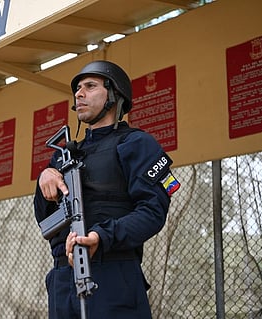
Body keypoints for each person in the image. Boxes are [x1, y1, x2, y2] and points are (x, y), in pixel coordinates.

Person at [34, 60, 180, 319]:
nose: (79, 94)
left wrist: (101, 237)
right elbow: (45, 220)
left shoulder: (137, 144)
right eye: (78, 88)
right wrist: (44, 178)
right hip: (63, 279)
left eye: (90, 86)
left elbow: (152, 212)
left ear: (114, 95)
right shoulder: (65, 155)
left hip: (112, 274)